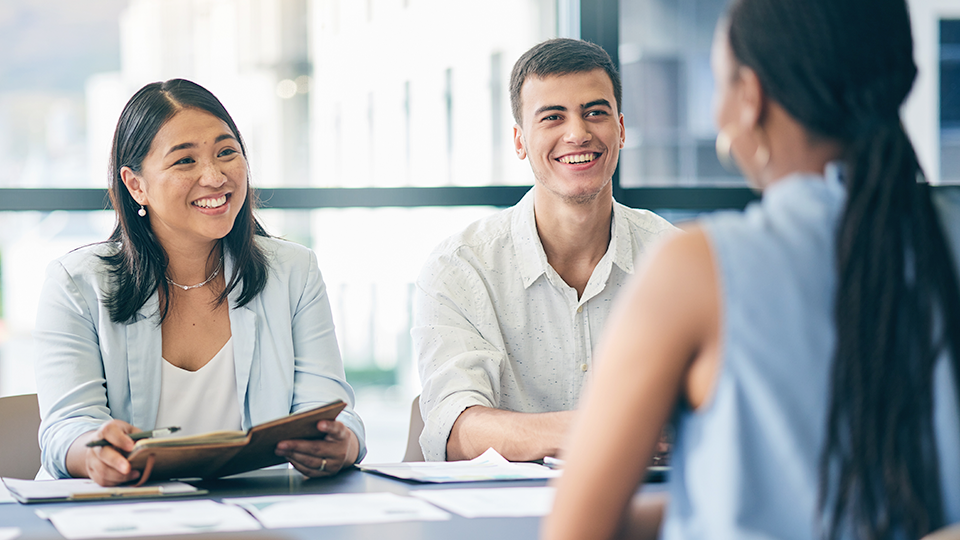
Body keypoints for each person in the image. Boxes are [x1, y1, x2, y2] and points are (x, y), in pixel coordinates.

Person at [543, 0, 960, 538]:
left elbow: (574, 529)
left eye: (717, 85)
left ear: (749, 99)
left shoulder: (697, 269)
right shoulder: (942, 238)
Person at [33, 79, 366, 486]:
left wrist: (343, 444)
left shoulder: (294, 271)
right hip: (118, 516)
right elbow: (66, 428)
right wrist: (91, 452)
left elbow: (331, 409)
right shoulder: (77, 283)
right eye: (184, 161)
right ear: (136, 184)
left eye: (227, 152)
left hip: (258, 514)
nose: (214, 176)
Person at [413, 38, 676, 462]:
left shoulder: (675, 260)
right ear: (519, 141)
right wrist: (600, 430)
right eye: (553, 117)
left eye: (595, 113)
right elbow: (454, 429)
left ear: (621, 130)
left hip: (652, 509)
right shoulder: (460, 267)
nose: (578, 133)